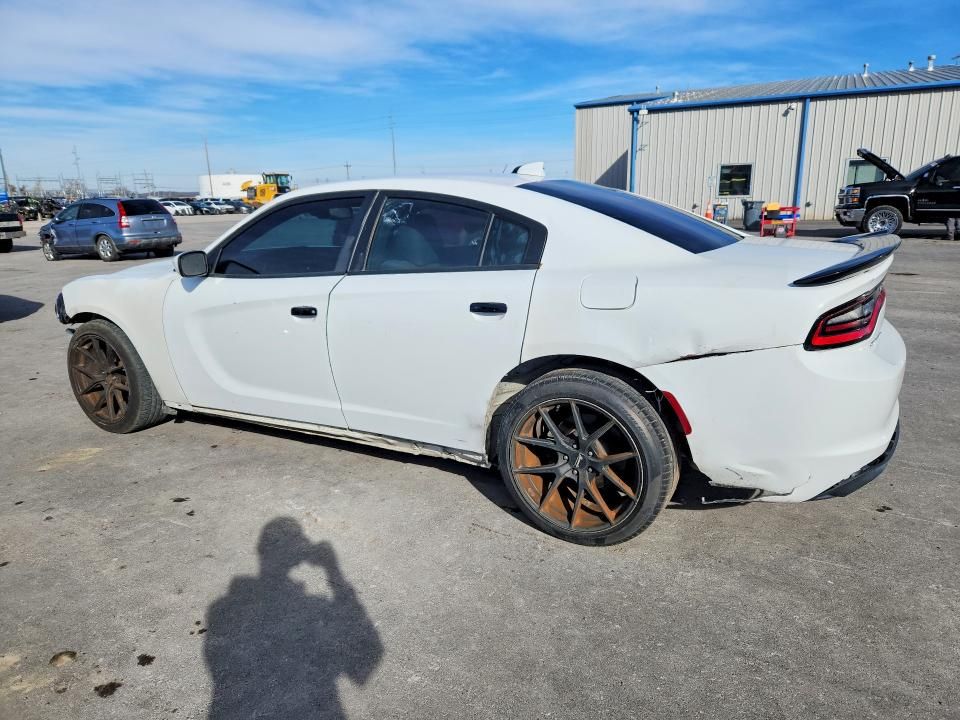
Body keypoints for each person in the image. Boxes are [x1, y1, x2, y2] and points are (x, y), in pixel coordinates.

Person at [204, 517, 383, 719]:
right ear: (298, 556)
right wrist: (333, 570)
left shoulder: (220, 609)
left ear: (261, 550)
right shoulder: (313, 609)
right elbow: (368, 654)